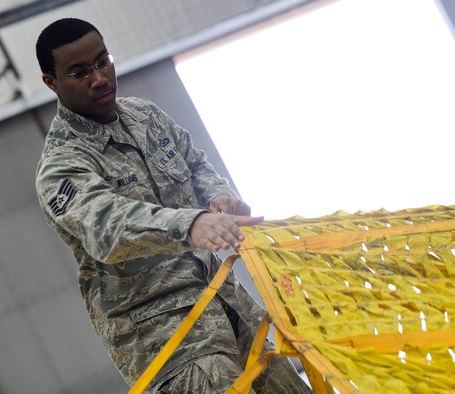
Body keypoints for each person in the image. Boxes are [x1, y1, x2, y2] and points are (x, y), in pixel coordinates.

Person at [34, 18, 311, 393]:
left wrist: (216, 196)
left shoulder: (145, 117)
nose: (99, 78)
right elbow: (106, 227)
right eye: (80, 72)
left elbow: (195, 165)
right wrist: (191, 224)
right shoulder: (62, 165)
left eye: (103, 62)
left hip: (229, 305)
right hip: (167, 337)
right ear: (52, 82)